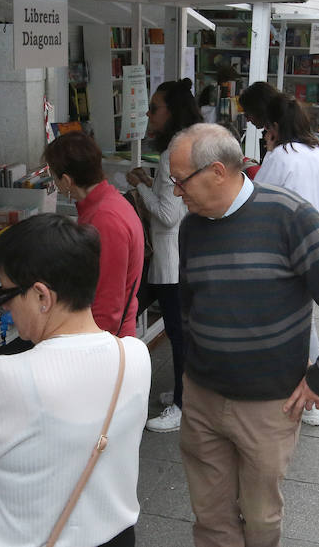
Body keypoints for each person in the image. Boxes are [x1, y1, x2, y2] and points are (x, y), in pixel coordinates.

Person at [171, 123, 319, 547]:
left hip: (268, 406)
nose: (175, 193)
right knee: (210, 516)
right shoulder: (192, 228)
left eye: (179, 181)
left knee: (260, 519)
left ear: (217, 171)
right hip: (202, 397)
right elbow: (189, 306)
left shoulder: (289, 216)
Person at [0, 213, 152, 547]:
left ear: (42, 296)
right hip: (117, 537)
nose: (4, 308)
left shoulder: (7, 376)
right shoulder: (135, 357)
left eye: (5, 294)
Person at [258, 95, 319, 425]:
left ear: (275, 128)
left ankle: (308, 397)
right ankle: (313, 396)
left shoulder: (280, 156)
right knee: (304, 318)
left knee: (295, 322)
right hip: (316, 246)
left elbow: (258, 198)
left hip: (281, 251)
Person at [131, 79, 203, 433]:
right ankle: (182, 392)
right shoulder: (184, 145)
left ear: (171, 112)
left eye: (155, 107)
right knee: (177, 329)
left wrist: (141, 186)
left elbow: (168, 213)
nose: (148, 113)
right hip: (175, 256)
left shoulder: (172, 152)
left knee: (178, 332)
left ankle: (182, 404)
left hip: (173, 258)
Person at [45, 132, 144, 337]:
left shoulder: (104, 219)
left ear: (66, 180)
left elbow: (107, 305)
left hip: (106, 342)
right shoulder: (105, 204)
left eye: (54, 178)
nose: (55, 184)